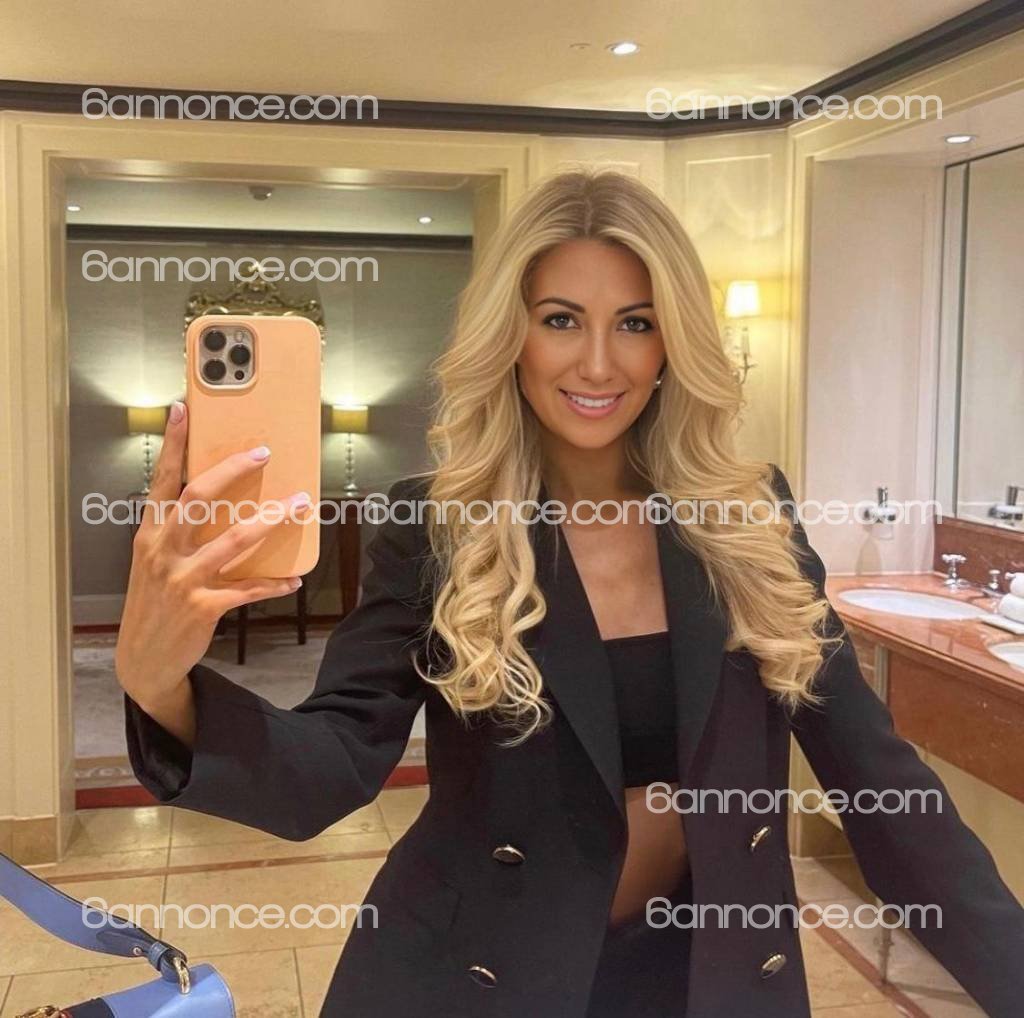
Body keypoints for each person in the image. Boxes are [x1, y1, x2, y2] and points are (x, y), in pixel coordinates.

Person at [116, 169, 1024, 1017]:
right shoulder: (440, 525)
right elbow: (332, 767)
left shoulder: (748, 519)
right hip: (481, 971)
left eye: (634, 322)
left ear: (673, 341)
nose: (598, 364)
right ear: (511, 335)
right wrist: (161, 685)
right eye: (560, 319)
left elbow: (879, 781)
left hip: (706, 973)